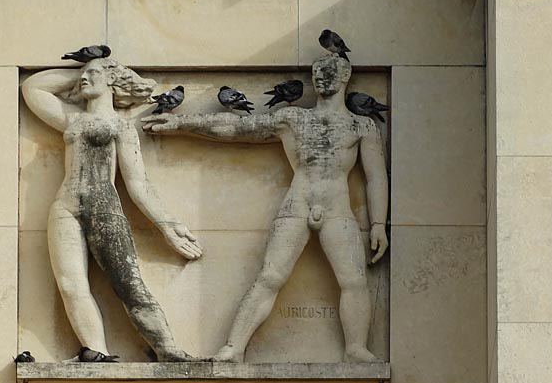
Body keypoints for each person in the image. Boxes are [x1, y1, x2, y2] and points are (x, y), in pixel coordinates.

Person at [142, 54, 388, 363]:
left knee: (353, 280)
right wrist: (181, 122)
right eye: (318, 73)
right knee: (270, 276)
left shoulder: (360, 124)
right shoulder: (295, 118)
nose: (323, 77)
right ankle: (234, 347)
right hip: (297, 204)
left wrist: (378, 223)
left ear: (345, 77)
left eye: (331, 72)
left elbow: (376, 175)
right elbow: (239, 127)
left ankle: (355, 348)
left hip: (337, 209)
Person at [21, 57, 202, 362]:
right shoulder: (73, 119)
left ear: (112, 82)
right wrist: (84, 69)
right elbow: (32, 87)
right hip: (66, 204)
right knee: (70, 283)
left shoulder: (121, 126)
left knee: (127, 282)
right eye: (82, 76)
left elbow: (139, 184)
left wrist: (167, 224)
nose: (83, 80)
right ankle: (96, 351)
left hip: (104, 206)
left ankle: (167, 347)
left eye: (91, 75)